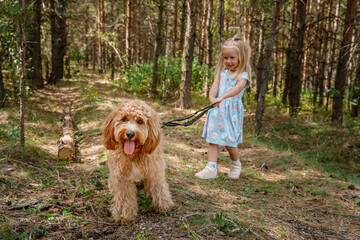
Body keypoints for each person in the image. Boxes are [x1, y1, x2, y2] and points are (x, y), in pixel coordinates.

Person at [195, 35, 252, 180]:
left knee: (229, 143)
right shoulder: (222, 73)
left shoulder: (243, 75)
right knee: (213, 140)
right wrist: (212, 98)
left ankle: (236, 164)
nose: (228, 61)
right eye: (226, 58)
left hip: (231, 113)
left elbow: (237, 89)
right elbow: (214, 86)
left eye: (232, 58)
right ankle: (211, 167)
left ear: (242, 57)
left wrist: (222, 97)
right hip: (217, 111)